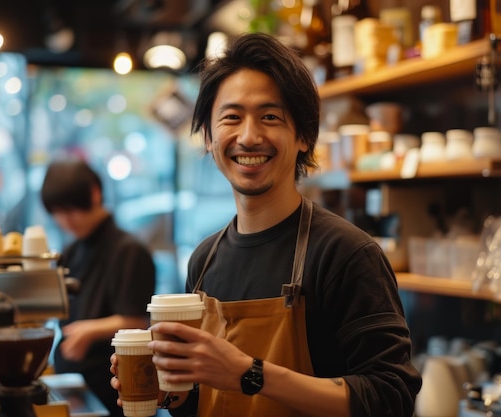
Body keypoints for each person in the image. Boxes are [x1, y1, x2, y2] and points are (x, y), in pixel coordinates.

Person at [110, 32, 421, 417]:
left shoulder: (346, 253)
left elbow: (391, 398)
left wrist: (250, 373)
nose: (249, 136)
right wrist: (168, 392)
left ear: (305, 135)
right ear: (208, 136)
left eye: (270, 117)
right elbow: (209, 399)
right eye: (231, 117)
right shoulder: (205, 260)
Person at [41, 157, 156, 417]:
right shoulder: (71, 251)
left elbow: (138, 321)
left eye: (71, 210)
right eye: (57, 212)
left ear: (94, 194)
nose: (65, 220)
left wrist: (90, 330)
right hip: (75, 381)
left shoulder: (129, 251)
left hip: (114, 385)